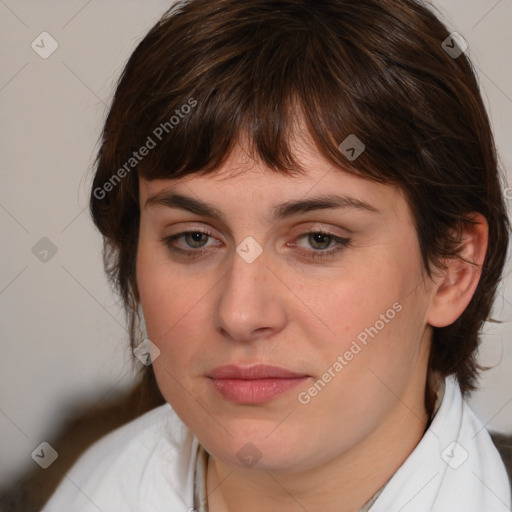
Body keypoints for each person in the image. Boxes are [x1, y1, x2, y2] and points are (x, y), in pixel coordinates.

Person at [41, 0, 512, 510]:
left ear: (452, 269)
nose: (240, 314)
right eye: (194, 238)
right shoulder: (91, 488)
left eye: (318, 239)